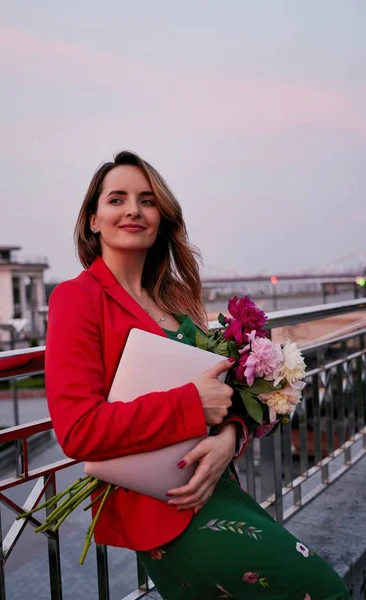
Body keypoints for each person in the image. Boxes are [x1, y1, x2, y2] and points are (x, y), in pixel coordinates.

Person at [45, 151, 349, 599]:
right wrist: (191, 403)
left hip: (217, 488)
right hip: (164, 510)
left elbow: (224, 394)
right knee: (322, 590)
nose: (133, 209)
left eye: (147, 200)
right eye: (117, 199)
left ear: (161, 217)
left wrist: (230, 436)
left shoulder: (175, 301)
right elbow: (78, 431)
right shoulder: (77, 299)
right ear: (93, 220)